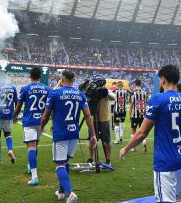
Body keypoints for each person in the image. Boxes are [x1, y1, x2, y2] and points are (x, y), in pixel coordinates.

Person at [120, 65, 181, 202]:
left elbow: (142, 133)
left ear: (162, 80)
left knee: (164, 200)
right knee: (171, 198)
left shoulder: (158, 99)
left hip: (165, 162)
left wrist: (126, 148)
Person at [41, 70, 97, 202]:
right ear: (74, 79)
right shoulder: (80, 95)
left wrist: (41, 127)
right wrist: (93, 135)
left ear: (62, 78)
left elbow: (46, 115)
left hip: (60, 134)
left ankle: (70, 193)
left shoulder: (55, 93)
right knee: (65, 162)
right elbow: (88, 116)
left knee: (59, 164)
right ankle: (61, 192)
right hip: (73, 134)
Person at [13, 67, 52, 185]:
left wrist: (14, 116)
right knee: (36, 145)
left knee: (31, 147)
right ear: (40, 76)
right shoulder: (47, 89)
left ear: (30, 76)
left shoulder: (25, 88)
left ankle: (34, 176)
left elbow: (19, 106)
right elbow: (50, 107)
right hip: (41, 121)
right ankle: (30, 166)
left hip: (29, 121)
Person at [0, 74, 18, 165]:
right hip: (9, 113)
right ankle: (10, 150)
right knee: (8, 134)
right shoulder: (13, 87)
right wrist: (15, 116)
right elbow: (17, 102)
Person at [87, 80, 116, 165]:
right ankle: (91, 158)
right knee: (92, 139)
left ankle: (108, 158)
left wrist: (105, 92)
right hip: (93, 118)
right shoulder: (91, 90)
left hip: (104, 118)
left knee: (107, 140)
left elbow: (113, 97)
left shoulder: (106, 90)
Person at [129, 79, 148, 152]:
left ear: (135, 84)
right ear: (141, 84)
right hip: (143, 115)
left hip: (135, 115)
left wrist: (130, 114)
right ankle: (144, 143)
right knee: (142, 131)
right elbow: (146, 104)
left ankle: (133, 147)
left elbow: (131, 105)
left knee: (133, 130)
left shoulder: (133, 93)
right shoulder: (145, 93)